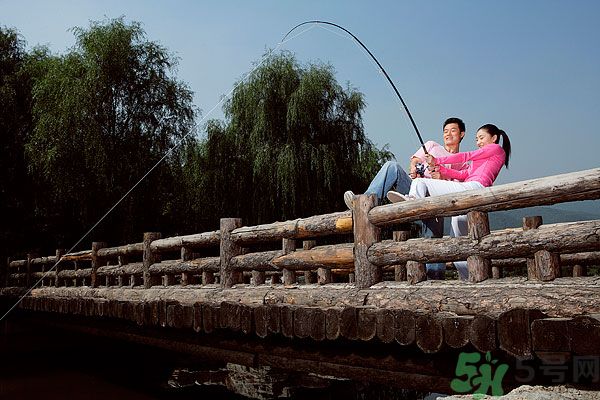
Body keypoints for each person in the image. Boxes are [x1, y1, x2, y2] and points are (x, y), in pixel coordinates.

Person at [343, 117, 468, 279]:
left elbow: (457, 190)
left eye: (453, 131)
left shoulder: (463, 161)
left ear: (462, 134)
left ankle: (435, 282)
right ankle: (362, 203)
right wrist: (414, 169)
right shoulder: (432, 146)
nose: (448, 134)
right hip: (415, 191)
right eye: (445, 131)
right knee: (391, 166)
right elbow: (415, 159)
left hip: (436, 202)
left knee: (433, 241)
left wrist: (441, 176)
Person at [391, 124, 511, 279]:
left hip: (473, 188)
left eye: (481, 138)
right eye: (476, 139)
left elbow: (466, 156)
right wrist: (439, 168)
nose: (478, 142)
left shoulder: (496, 149)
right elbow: (462, 173)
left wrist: (438, 159)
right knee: (457, 243)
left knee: (420, 183)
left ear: (494, 138)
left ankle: (412, 202)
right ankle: (471, 279)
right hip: (468, 191)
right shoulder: (480, 160)